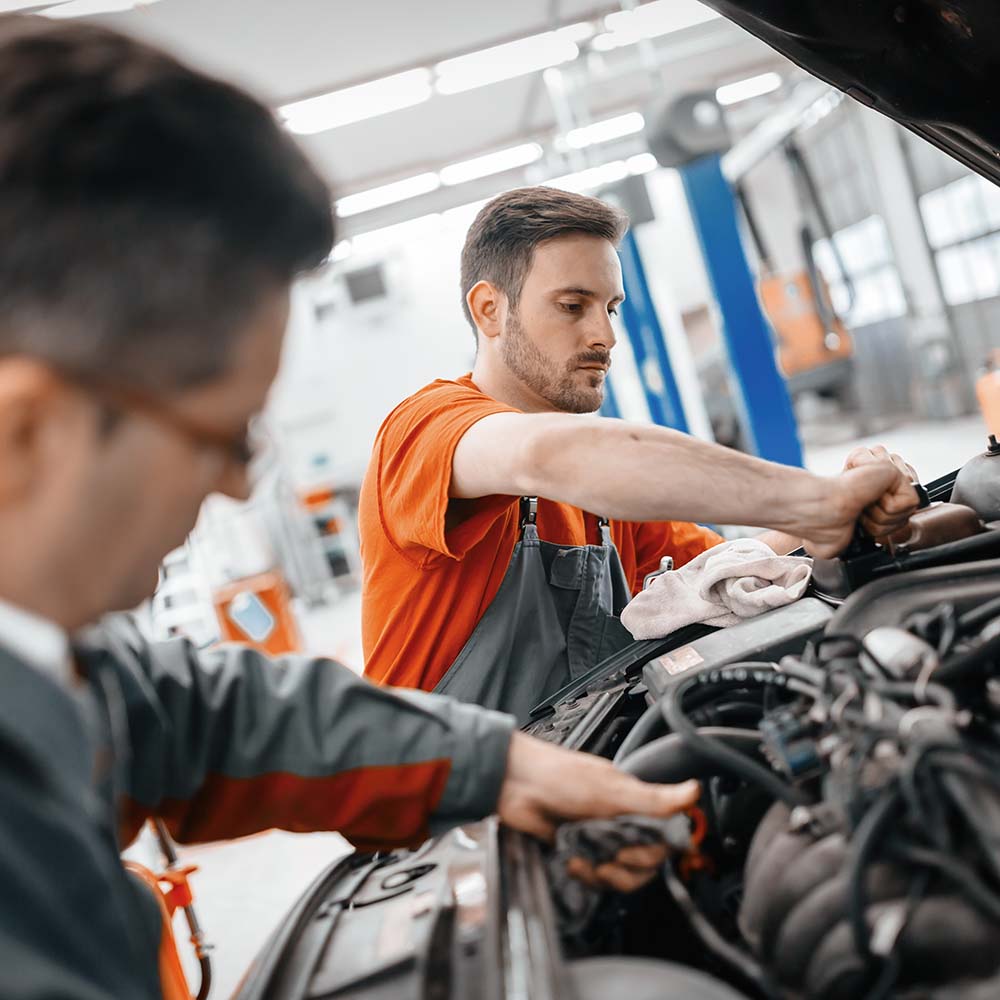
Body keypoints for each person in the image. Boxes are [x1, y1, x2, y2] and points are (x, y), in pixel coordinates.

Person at [0, 17, 704, 1000]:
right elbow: (554, 454)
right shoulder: (439, 426)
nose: (240, 487)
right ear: (29, 434)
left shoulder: (53, 659)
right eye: (223, 435)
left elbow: (200, 712)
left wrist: (497, 761)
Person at [360, 186, 919, 719]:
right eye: (573, 306)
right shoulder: (427, 428)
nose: (606, 336)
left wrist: (848, 501)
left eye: (612, 308)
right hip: (443, 807)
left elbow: (715, 569)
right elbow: (544, 457)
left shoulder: (604, 492)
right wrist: (812, 501)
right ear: (489, 310)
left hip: (572, 768)